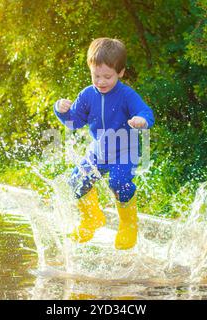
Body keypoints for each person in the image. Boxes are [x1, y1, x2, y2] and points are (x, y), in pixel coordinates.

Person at [53, 37, 154, 250]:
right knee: (77, 181)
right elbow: (74, 122)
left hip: (125, 151)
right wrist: (60, 111)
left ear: (121, 72)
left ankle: (128, 223)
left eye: (107, 76)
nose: (100, 81)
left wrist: (142, 120)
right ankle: (92, 218)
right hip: (99, 151)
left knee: (118, 182)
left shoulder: (127, 95)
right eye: (95, 76)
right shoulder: (88, 94)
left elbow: (146, 112)